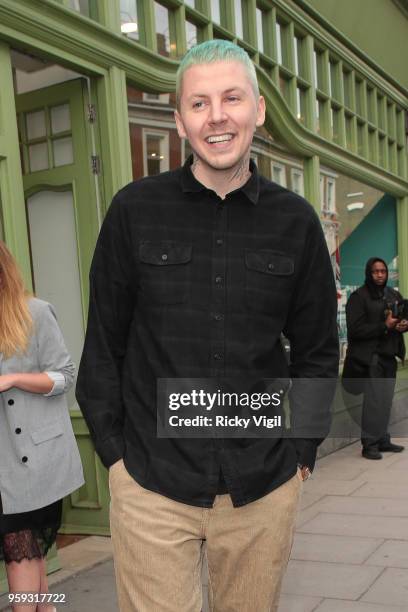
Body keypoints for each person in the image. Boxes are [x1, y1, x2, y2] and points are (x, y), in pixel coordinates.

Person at [76, 40, 339, 612]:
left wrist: (301, 450)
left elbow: (318, 350)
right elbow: (103, 346)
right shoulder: (133, 210)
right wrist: (116, 458)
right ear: (179, 120)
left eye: (231, 98)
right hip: (150, 480)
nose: (217, 116)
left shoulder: (295, 222)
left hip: (262, 485)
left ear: (259, 109)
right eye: (199, 103)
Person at [0, 240, 84, 612]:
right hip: (3, 462)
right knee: (27, 550)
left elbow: (65, 377)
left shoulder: (34, 313)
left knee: (20, 548)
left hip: (32, 459)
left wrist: (13, 378)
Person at [345, 257, 407, 460]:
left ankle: (382, 439)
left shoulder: (392, 294)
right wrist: (384, 326)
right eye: (375, 271)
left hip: (390, 355)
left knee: (385, 401)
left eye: (383, 271)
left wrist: (402, 325)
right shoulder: (359, 296)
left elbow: (402, 318)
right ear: (368, 273)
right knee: (373, 401)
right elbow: (355, 330)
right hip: (371, 357)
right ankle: (369, 444)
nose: (380, 275)